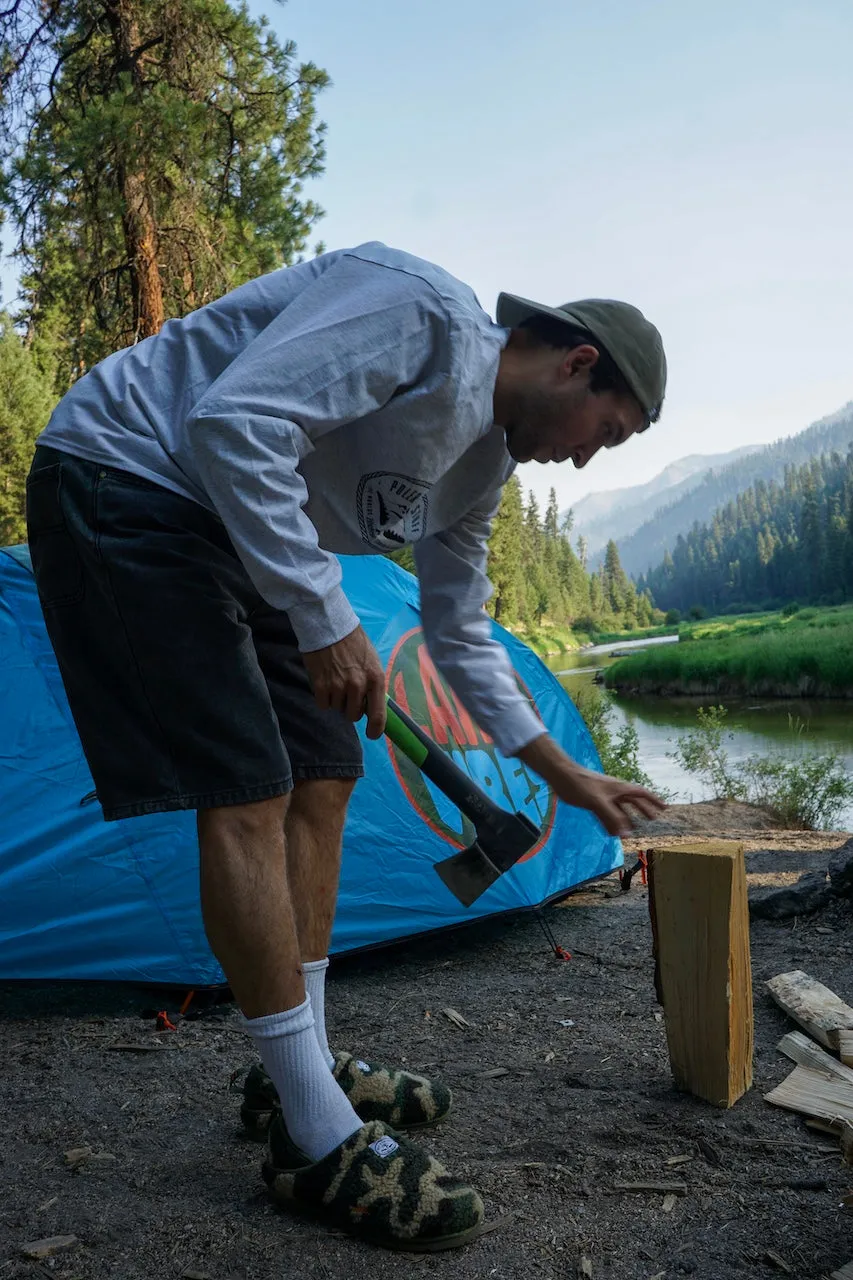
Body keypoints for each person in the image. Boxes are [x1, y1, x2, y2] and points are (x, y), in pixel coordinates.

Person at [26, 242, 667, 1252]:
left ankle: (302, 1067)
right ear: (577, 363)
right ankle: (315, 1138)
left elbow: (457, 628)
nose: (590, 455)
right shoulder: (424, 314)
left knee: (328, 774)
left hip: (237, 527)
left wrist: (566, 774)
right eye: (608, 432)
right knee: (247, 790)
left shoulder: (483, 460)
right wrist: (325, 615)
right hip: (127, 479)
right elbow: (232, 422)